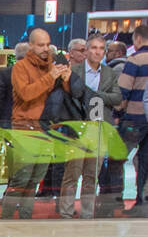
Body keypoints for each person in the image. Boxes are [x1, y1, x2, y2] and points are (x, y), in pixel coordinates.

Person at [1, 28, 70, 219]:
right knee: (21, 179)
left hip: (47, 130)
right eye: (41, 45)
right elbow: (26, 94)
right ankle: (6, 218)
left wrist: (66, 79)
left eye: (48, 44)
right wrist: (51, 77)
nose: (45, 49)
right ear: (31, 45)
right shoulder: (20, 68)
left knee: (35, 179)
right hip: (24, 130)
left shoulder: (51, 68)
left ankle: (25, 218)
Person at [62, 33, 122, 219]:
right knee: (72, 173)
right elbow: (66, 98)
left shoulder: (109, 73)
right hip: (79, 128)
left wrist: (95, 95)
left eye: (101, 49)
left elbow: (117, 98)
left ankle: (87, 213)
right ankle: (65, 211)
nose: (97, 52)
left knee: (91, 175)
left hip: (99, 129)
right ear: (86, 50)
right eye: (94, 48)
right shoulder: (75, 71)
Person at [116, 24, 148, 216]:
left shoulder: (135, 60)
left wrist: (118, 113)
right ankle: (142, 198)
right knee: (145, 160)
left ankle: (112, 195)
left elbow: (123, 91)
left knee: (117, 156)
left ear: (136, 40)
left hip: (134, 118)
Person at [99, 39, 130, 210]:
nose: (106, 54)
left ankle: (112, 199)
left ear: (118, 53)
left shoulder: (117, 69)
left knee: (113, 162)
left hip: (117, 122)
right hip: (125, 121)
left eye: (108, 50)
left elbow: (119, 98)